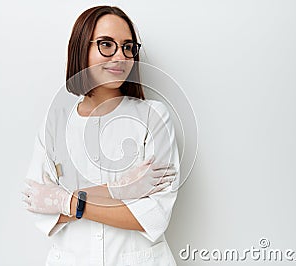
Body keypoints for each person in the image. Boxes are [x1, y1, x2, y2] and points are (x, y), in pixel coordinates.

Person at [23, 5, 180, 265]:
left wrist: (66, 201)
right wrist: (123, 190)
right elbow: (38, 206)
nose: (120, 56)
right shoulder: (56, 122)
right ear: (81, 48)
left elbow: (153, 216)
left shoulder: (154, 117)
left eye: (128, 47)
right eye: (106, 45)